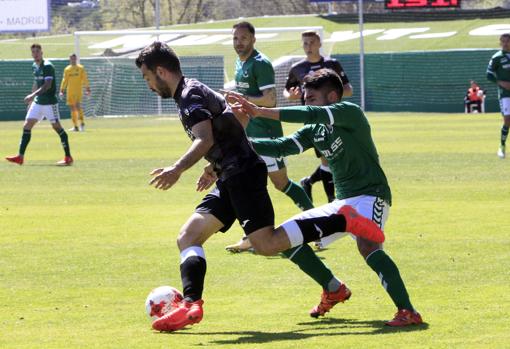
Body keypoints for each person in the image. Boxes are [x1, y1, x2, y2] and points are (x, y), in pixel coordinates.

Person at [135, 41, 384, 332]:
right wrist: (215, 165)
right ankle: (191, 306)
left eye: (147, 77)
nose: (148, 84)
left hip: (243, 174)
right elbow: (234, 119)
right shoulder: (193, 89)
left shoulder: (189, 97)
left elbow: (204, 139)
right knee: (188, 236)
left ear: (161, 71)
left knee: (266, 245)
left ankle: (341, 220)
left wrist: (177, 169)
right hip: (230, 174)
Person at [229, 68, 422, 327]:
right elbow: (281, 146)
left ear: (332, 97)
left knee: (368, 245)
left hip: (371, 195)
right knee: (278, 241)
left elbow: (313, 114)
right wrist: (239, 142)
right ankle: (333, 288)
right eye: (305, 99)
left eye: (311, 98)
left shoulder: (349, 112)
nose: (306, 104)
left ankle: (408, 311)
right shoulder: (314, 130)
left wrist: (260, 111)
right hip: (342, 206)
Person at [225, 21, 314, 253]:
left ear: (253, 39)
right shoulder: (240, 63)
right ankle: (250, 237)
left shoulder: (260, 64)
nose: (239, 42)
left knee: (280, 183)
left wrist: (242, 99)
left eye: (243, 38)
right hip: (249, 134)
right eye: (235, 38)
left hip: (267, 133)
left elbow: (270, 99)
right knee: (249, 184)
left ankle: (314, 223)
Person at [285, 30, 353, 205]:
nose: (309, 46)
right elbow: (287, 91)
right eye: (305, 43)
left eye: (312, 43)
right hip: (314, 120)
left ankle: (309, 182)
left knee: (333, 156)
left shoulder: (332, 64)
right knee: (328, 157)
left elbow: (348, 89)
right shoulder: (297, 69)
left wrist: (333, 93)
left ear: (320, 44)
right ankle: (332, 200)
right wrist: (291, 96)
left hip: (335, 116)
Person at [5, 44, 73, 166]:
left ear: (42, 52)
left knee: (57, 127)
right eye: (33, 52)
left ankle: (68, 157)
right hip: (38, 102)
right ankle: (20, 157)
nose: (35, 53)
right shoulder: (34, 66)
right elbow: (36, 83)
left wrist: (31, 96)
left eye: (37, 51)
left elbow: (47, 85)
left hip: (49, 103)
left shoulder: (47, 66)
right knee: (27, 125)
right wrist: (32, 100)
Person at [487, 32, 510, 159]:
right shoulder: (497, 57)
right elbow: (489, 75)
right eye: (503, 41)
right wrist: (501, 82)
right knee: (507, 119)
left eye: (507, 41)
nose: (505, 44)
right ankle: (502, 146)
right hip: (505, 94)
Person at [59, 53, 91, 132]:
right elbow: (64, 80)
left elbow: (85, 79)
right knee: (72, 108)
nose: (73, 60)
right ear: (69, 59)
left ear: (76, 59)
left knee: (77, 106)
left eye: (74, 58)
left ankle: (82, 124)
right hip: (70, 91)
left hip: (78, 90)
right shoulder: (67, 69)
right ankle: (75, 126)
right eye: (71, 58)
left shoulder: (80, 68)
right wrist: (62, 90)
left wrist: (87, 88)